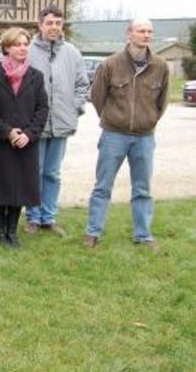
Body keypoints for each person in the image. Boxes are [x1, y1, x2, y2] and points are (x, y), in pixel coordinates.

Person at [84, 19, 169, 248]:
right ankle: (93, 232)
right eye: (141, 30)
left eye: (150, 31)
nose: (146, 35)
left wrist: (148, 121)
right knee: (103, 186)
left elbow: (162, 102)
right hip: (114, 135)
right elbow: (97, 96)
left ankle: (143, 235)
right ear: (129, 34)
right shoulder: (110, 64)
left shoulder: (160, 66)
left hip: (145, 137)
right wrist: (113, 119)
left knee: (142, 189)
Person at [0, 27, 49, 247]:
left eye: (25, 44)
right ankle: (0, 232)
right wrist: (7, 132)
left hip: (26, 143)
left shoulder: (36, 77)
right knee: (1, 187)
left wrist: (29, 134)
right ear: (7, 47)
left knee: (21, 188)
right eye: (17, 44)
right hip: (1, 140)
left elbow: (42, 109)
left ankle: (13, 231)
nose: (22, 48)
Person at [26, 5, 89, 236]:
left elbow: (83, 85)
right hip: (35, 125)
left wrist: (75, 108)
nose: (54, 27)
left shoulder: (72, 52)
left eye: (58, 23)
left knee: (53, 173)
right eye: (49, 23)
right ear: (40, 24)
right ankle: (33, 216)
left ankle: (48, 217)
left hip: (62, 123)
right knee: (35, 171)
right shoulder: (29, 51)